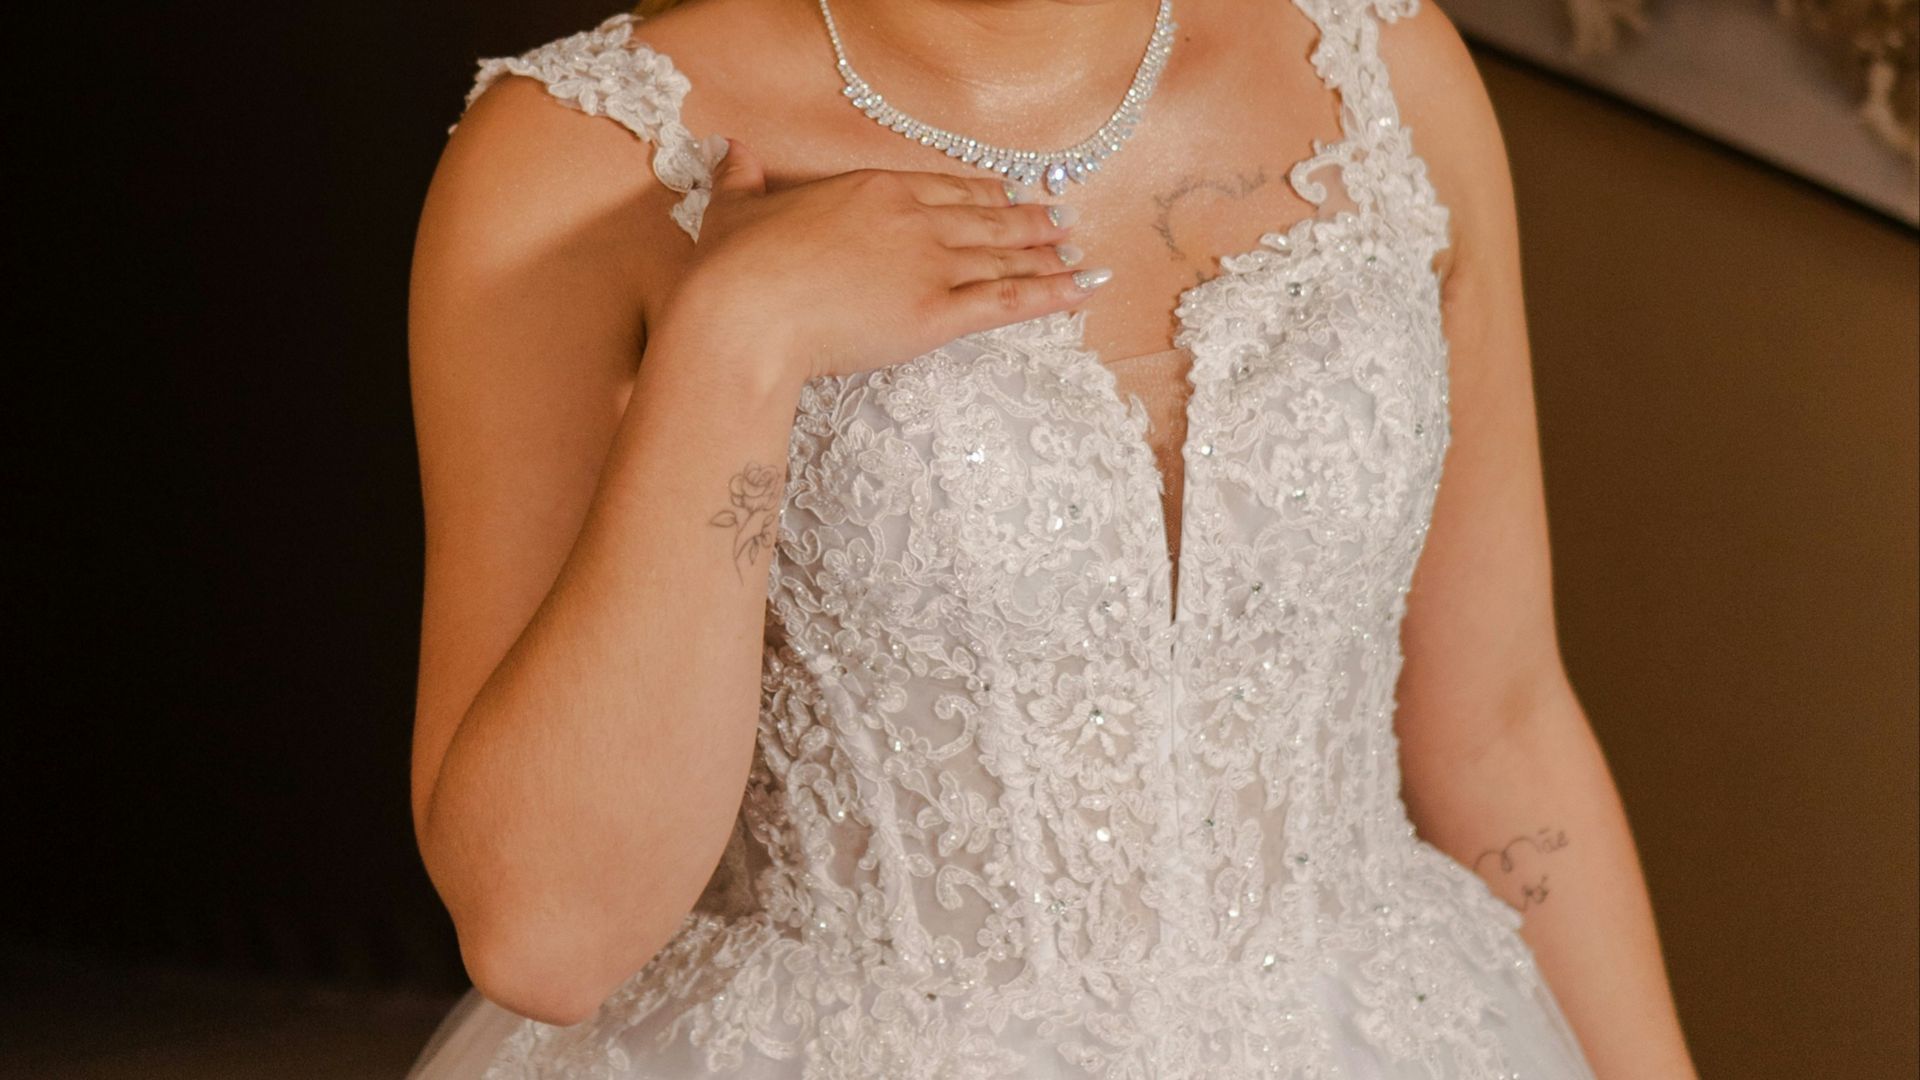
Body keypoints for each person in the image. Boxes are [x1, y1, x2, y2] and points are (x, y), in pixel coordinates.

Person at [403, 0, 1700, 1075]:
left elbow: (1502, 722)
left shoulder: (1379, 60)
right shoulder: (583, 154)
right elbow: (546, 939)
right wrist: (736, 342)